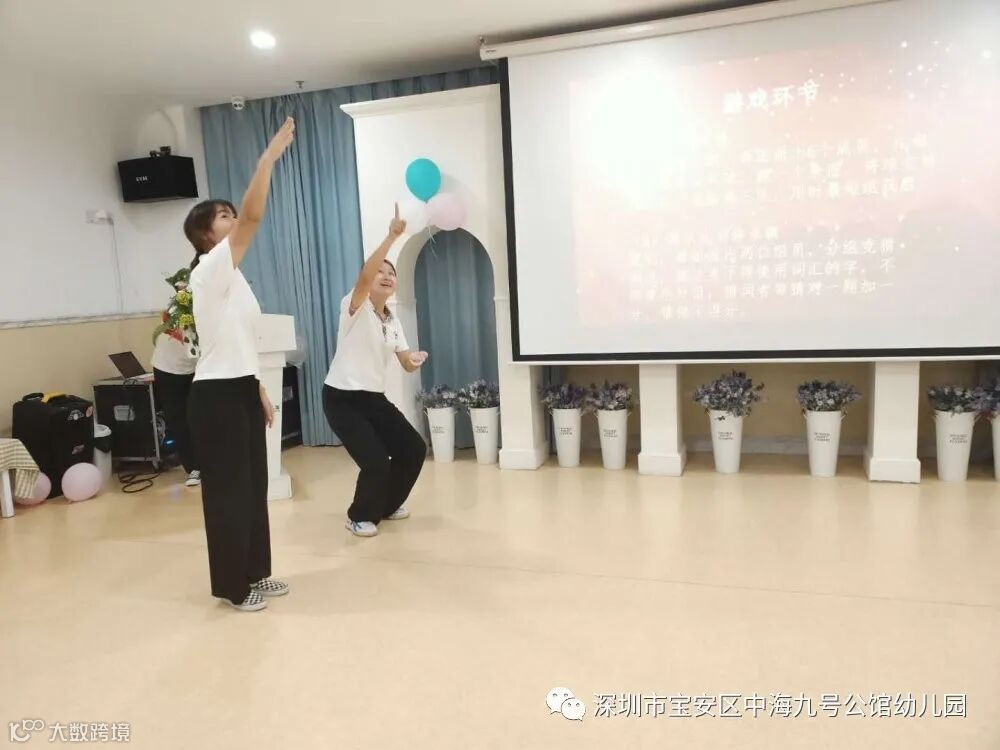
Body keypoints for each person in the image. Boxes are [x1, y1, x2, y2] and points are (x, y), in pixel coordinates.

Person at [184, 117, 295, 612]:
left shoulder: (234, 277)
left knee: (253, 488)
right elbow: (253, 218)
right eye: (223, 216)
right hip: (215, 398)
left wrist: (258, 389)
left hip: (239, 389)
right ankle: (232, 586)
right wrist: (267, 160)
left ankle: (254, 574)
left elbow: (236, 342)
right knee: (229, 494)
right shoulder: (208, 270)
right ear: (205, 236)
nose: (234, 219)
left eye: (231, 213)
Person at [323, 205, 429, 538]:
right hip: (341, 398)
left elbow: (405, 363)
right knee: (375, 461)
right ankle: (358, 516)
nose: (385, 275)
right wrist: (391, 237)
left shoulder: (392, 321)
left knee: (413, 449)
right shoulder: (354, 306)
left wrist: (414, 359)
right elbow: (365, 276)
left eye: (391, 273)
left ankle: (386, 504)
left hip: (373, 398)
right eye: (379, 271)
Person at [151, 327, 200, 486]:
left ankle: (211, 461)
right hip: (167, 367)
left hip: (197, 366)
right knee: (178, 419)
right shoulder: (176, 313)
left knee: (201, 414)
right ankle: (194, 467)